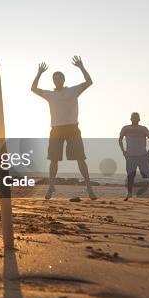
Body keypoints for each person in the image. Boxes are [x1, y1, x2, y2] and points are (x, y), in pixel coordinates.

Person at [31, 56, 97, 200]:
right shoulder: (50, 94)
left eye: (60, 78)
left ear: (64, 79)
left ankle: (89, 188)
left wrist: (81, 67)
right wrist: (39, 73)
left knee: (80, 158)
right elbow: (33, 89)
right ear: (53, 81)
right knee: (54, 160)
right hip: (56, 130)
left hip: (72, 128)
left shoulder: (73, 90)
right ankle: (50, 187)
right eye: (55, 78)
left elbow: (89, 82)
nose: (57, 80)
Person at [119, 112, 149, 201]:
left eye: (136, 118)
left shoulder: (143, 129)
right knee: (130, 175)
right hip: (130, 156)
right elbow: (120, 139)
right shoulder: (126, 128)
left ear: (139, 119)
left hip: (142, 156)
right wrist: (123, 151)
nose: (135, 119)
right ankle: (129, 194)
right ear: (131, 119)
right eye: (133, 117)